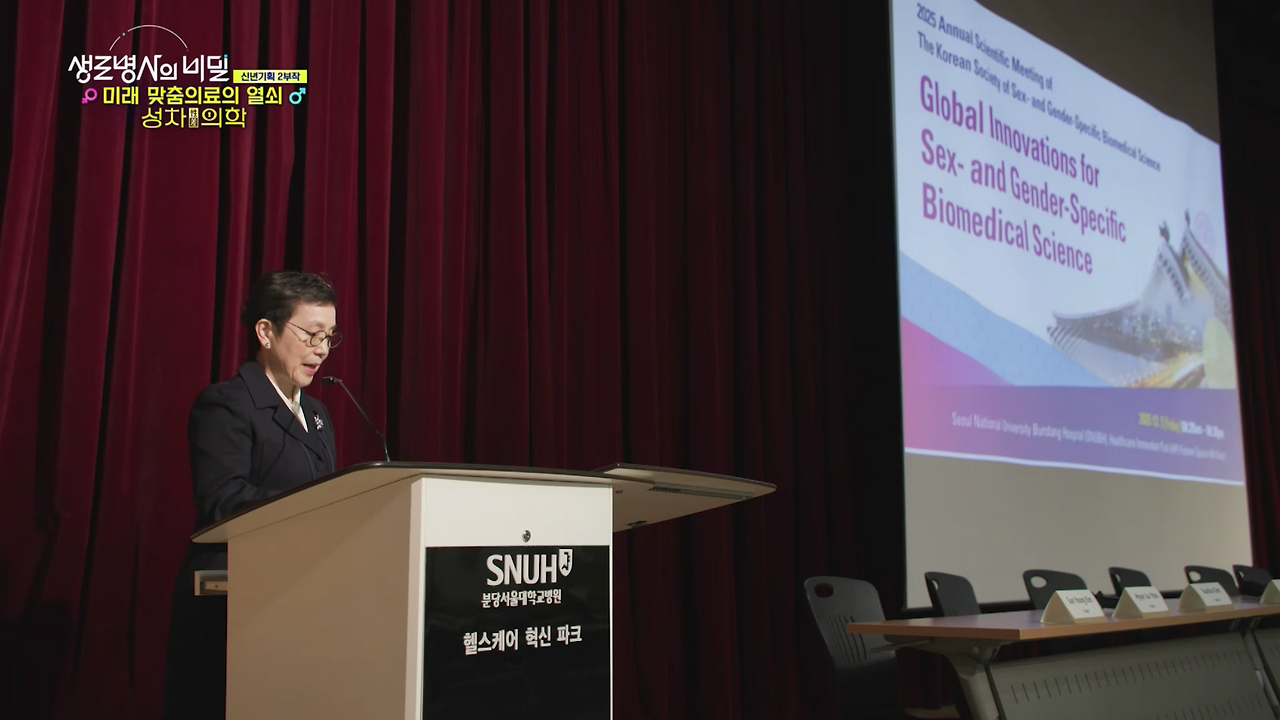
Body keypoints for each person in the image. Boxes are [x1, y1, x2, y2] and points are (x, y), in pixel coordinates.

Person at [162, 271, 343, 720]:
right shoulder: (228, 404)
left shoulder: (318, 414)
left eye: (329, 337)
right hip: (232, 602)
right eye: (311, 334)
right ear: (265, 331)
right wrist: (317, 509)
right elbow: (223, 500)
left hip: (301, 598)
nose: (322, 349)